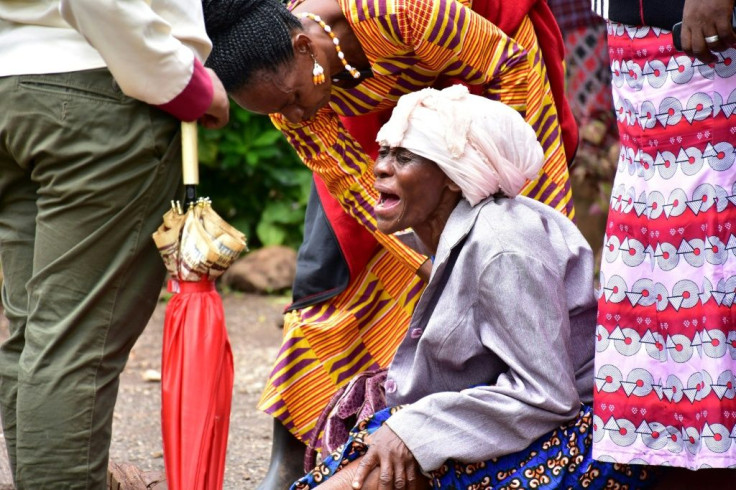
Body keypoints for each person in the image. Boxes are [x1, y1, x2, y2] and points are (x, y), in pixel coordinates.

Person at [202, 0, 579, 486]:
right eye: (279, 110)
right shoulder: (294, 103)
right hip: (385, 127)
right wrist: (426, 256)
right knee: (348, 272)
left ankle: (540, 416)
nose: (295, 114)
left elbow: (509, 65)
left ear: (302, 45)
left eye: (294, 97)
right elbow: (355, 185)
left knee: (514, 246)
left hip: (497, 88)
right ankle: (417, 433)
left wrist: (490, 187)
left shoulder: (396, 12)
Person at [289, 84, 654, 490]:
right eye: (385, 152)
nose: (380, 168)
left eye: (404, 157)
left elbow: (547, 395)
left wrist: (419, 430)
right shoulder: (448, 235)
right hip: (517, 418)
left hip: (581, 431)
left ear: (451, 177)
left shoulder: (503, 246)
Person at [0, 0, 229, 487]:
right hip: (95, 89)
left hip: (11, 92)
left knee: (34, 336)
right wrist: (182, 80)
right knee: (69, 345)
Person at [590, 0, 736, 484]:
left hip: (702, 33)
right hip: (639, 43)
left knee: (711, 229)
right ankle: (690, 448)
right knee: (659, 245)